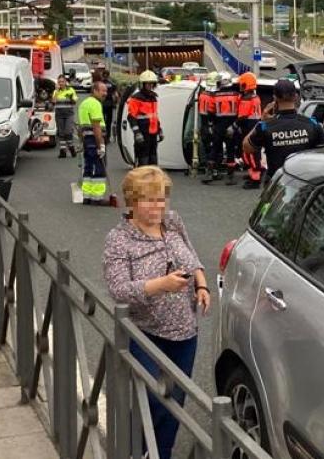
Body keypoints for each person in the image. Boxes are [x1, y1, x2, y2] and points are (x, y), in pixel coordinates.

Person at [102, 167, 209, 459]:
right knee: (150, 397)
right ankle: (136, 449)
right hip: (145, 332)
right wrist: (161, 285)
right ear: (132, 202)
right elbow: (118, 289)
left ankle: (160, 454)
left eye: (162, 200)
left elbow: (192, 256)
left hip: (185, 333)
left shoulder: (173, 222)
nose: (157, 207)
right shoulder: (119, 239)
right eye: (149, 201)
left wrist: (202, 285)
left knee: (174, 401)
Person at [244, 79, 324, 186]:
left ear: (275, 98)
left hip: (276, 186)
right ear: (296, 97)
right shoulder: (312, 124)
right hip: (304, 184)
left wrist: (261, 120)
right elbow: (323, 155)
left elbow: (246, 147)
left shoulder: (265, 127)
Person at [77, 81, 110, 205]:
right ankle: (97, 198)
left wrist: (81, 141)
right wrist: (101, 145)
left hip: (86, 139)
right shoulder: (95, 104)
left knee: (88, 167)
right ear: (95, 91)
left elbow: (81, 127)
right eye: (103, 91)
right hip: (95, 139)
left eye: (106, 91)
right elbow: (96, 127)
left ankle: (87, 196)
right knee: (99, 167)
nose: (105, 94)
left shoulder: (83, 104)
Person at [204, 73, 240, 185]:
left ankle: (209, 173)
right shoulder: (237, 95)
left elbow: (210, 112)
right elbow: (240, 111)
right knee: (230, 151)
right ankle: (230, 177)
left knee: (214, 149)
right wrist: (235, 125)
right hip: (231, 126)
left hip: (219, 125)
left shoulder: (215, 95)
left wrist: (213, 124)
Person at [126, 70, 163, 167]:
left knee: (153, 159)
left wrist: (160, 130)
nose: (150, 86)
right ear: (142, 84)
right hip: (142, 134)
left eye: (152, 84)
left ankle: (152, 181)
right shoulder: (136, 98)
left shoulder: (153, 98)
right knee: (143, 160)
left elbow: (154, 116)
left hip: (152, 134)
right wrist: (137, 133)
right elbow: (131, 117)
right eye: (147, 84)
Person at [235, 72, 263, 189]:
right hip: (254, 128)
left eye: (241, 84)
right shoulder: (255, 97)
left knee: (251, 153)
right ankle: (253, 173)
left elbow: (242, 117)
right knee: (252, 153)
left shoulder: (247, 99)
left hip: (249, 128)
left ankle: (255, 180)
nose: (240, 86)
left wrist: (234, 126)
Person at [197, 72, 219, 177]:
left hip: (204, 124)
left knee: (205, 146)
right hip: (211, 124)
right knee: (214, 148)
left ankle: (206, 166)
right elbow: (213, 112)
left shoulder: (202, 95)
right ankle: (213, 169)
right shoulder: (213, 97)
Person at [53, 74, 78, 159]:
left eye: (62, 81)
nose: (61, 83)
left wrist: (71, 98)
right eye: (59, 82)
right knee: (61, 133)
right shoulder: (56, 91)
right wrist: (56, 91)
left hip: (68, 114)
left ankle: (71, 148)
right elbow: (53, 101)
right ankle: (62, 151)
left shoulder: (71, 90)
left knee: (68, 132)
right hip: (59, 114)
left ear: (65, 82)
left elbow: (75, 102)